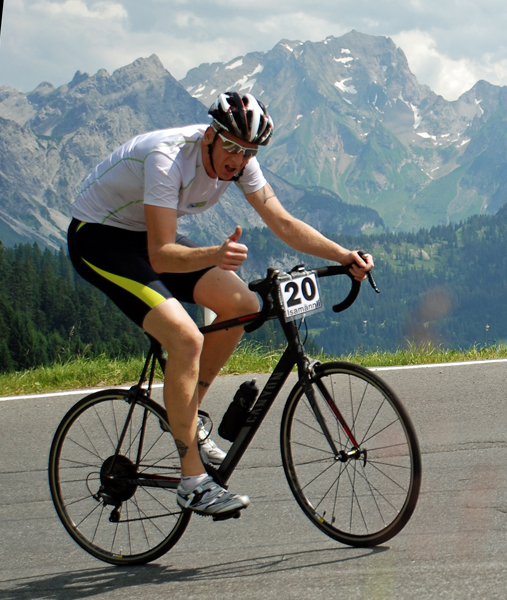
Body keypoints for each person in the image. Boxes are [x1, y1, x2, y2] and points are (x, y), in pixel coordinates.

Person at [67, 91, 373, 518]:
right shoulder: (167, 158)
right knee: (186, 338)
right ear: (210, 135)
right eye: (231, 146)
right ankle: (192, 483)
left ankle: (187, 413)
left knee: (243, 304)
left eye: (249, 152)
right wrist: (214, 254)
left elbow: (283, 222)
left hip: (149, 236)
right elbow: (161, 256)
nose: (238, 159)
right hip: (100, 240)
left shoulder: (242, 161)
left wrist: (344, 256)